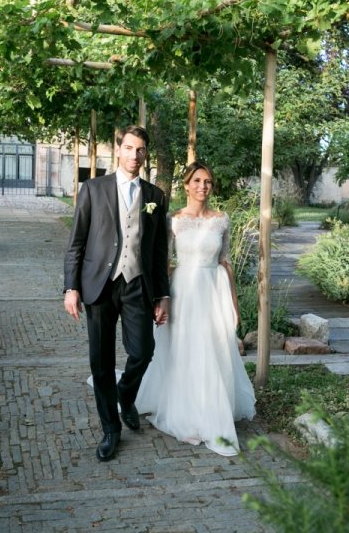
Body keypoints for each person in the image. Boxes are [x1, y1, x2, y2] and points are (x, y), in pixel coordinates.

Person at [63, 125, 171, 462]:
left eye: (140, 149)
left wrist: (162, 295)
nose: (134, 155)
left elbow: (158, 251)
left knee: (143, 351)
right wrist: (71, 286)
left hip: (138, 283)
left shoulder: (155, 196)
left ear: (145, 154)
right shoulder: (92, 189)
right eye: (129, 148)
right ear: (118, 149)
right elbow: (76, 242)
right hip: (99, 283)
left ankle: (126, 395)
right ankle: (111, 429)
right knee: (101, 361)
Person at [136, 161, 256, 456]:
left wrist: (234, 304)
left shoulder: (221, 220)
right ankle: (188, 414)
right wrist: (160, 298)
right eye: (198, 181)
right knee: (185, 351)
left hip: (213, 292)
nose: (203, 186)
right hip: (184, 291)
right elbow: (164, 263)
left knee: (212, 350)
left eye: (208, 182)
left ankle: (212, 410)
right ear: (186, 185)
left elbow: (225, 263)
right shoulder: (174, 220)